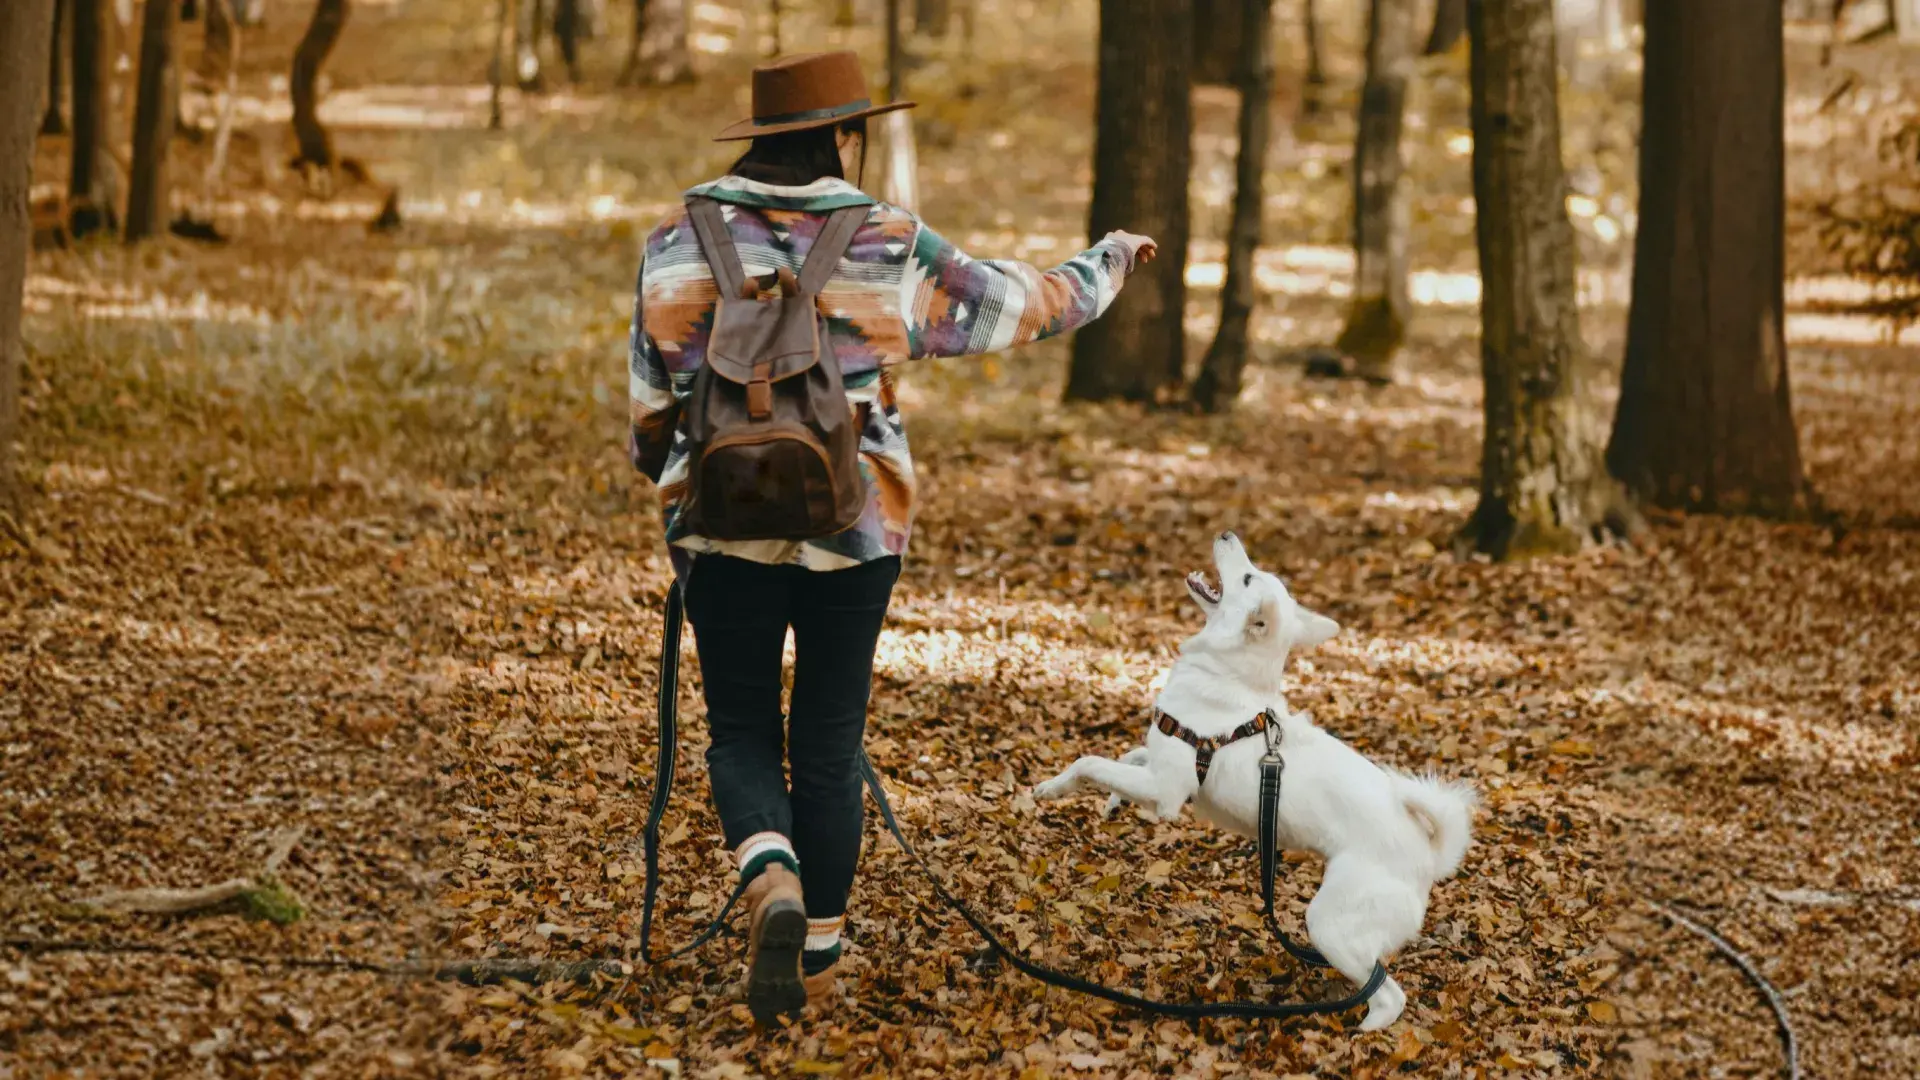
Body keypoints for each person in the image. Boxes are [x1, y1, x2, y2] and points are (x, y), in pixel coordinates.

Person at [625, 49, 1155, 1025]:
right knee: (828, 744)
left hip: (717, 531)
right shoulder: (886, 239)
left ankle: (770, 873)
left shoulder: (674, 237)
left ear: (758, 136)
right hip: (855, 530)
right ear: (845, 135)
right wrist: (1108, 262)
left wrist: (676, 488)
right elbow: (1013, 305)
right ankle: (816, 970)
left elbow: (652, 406)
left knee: (740, 730)